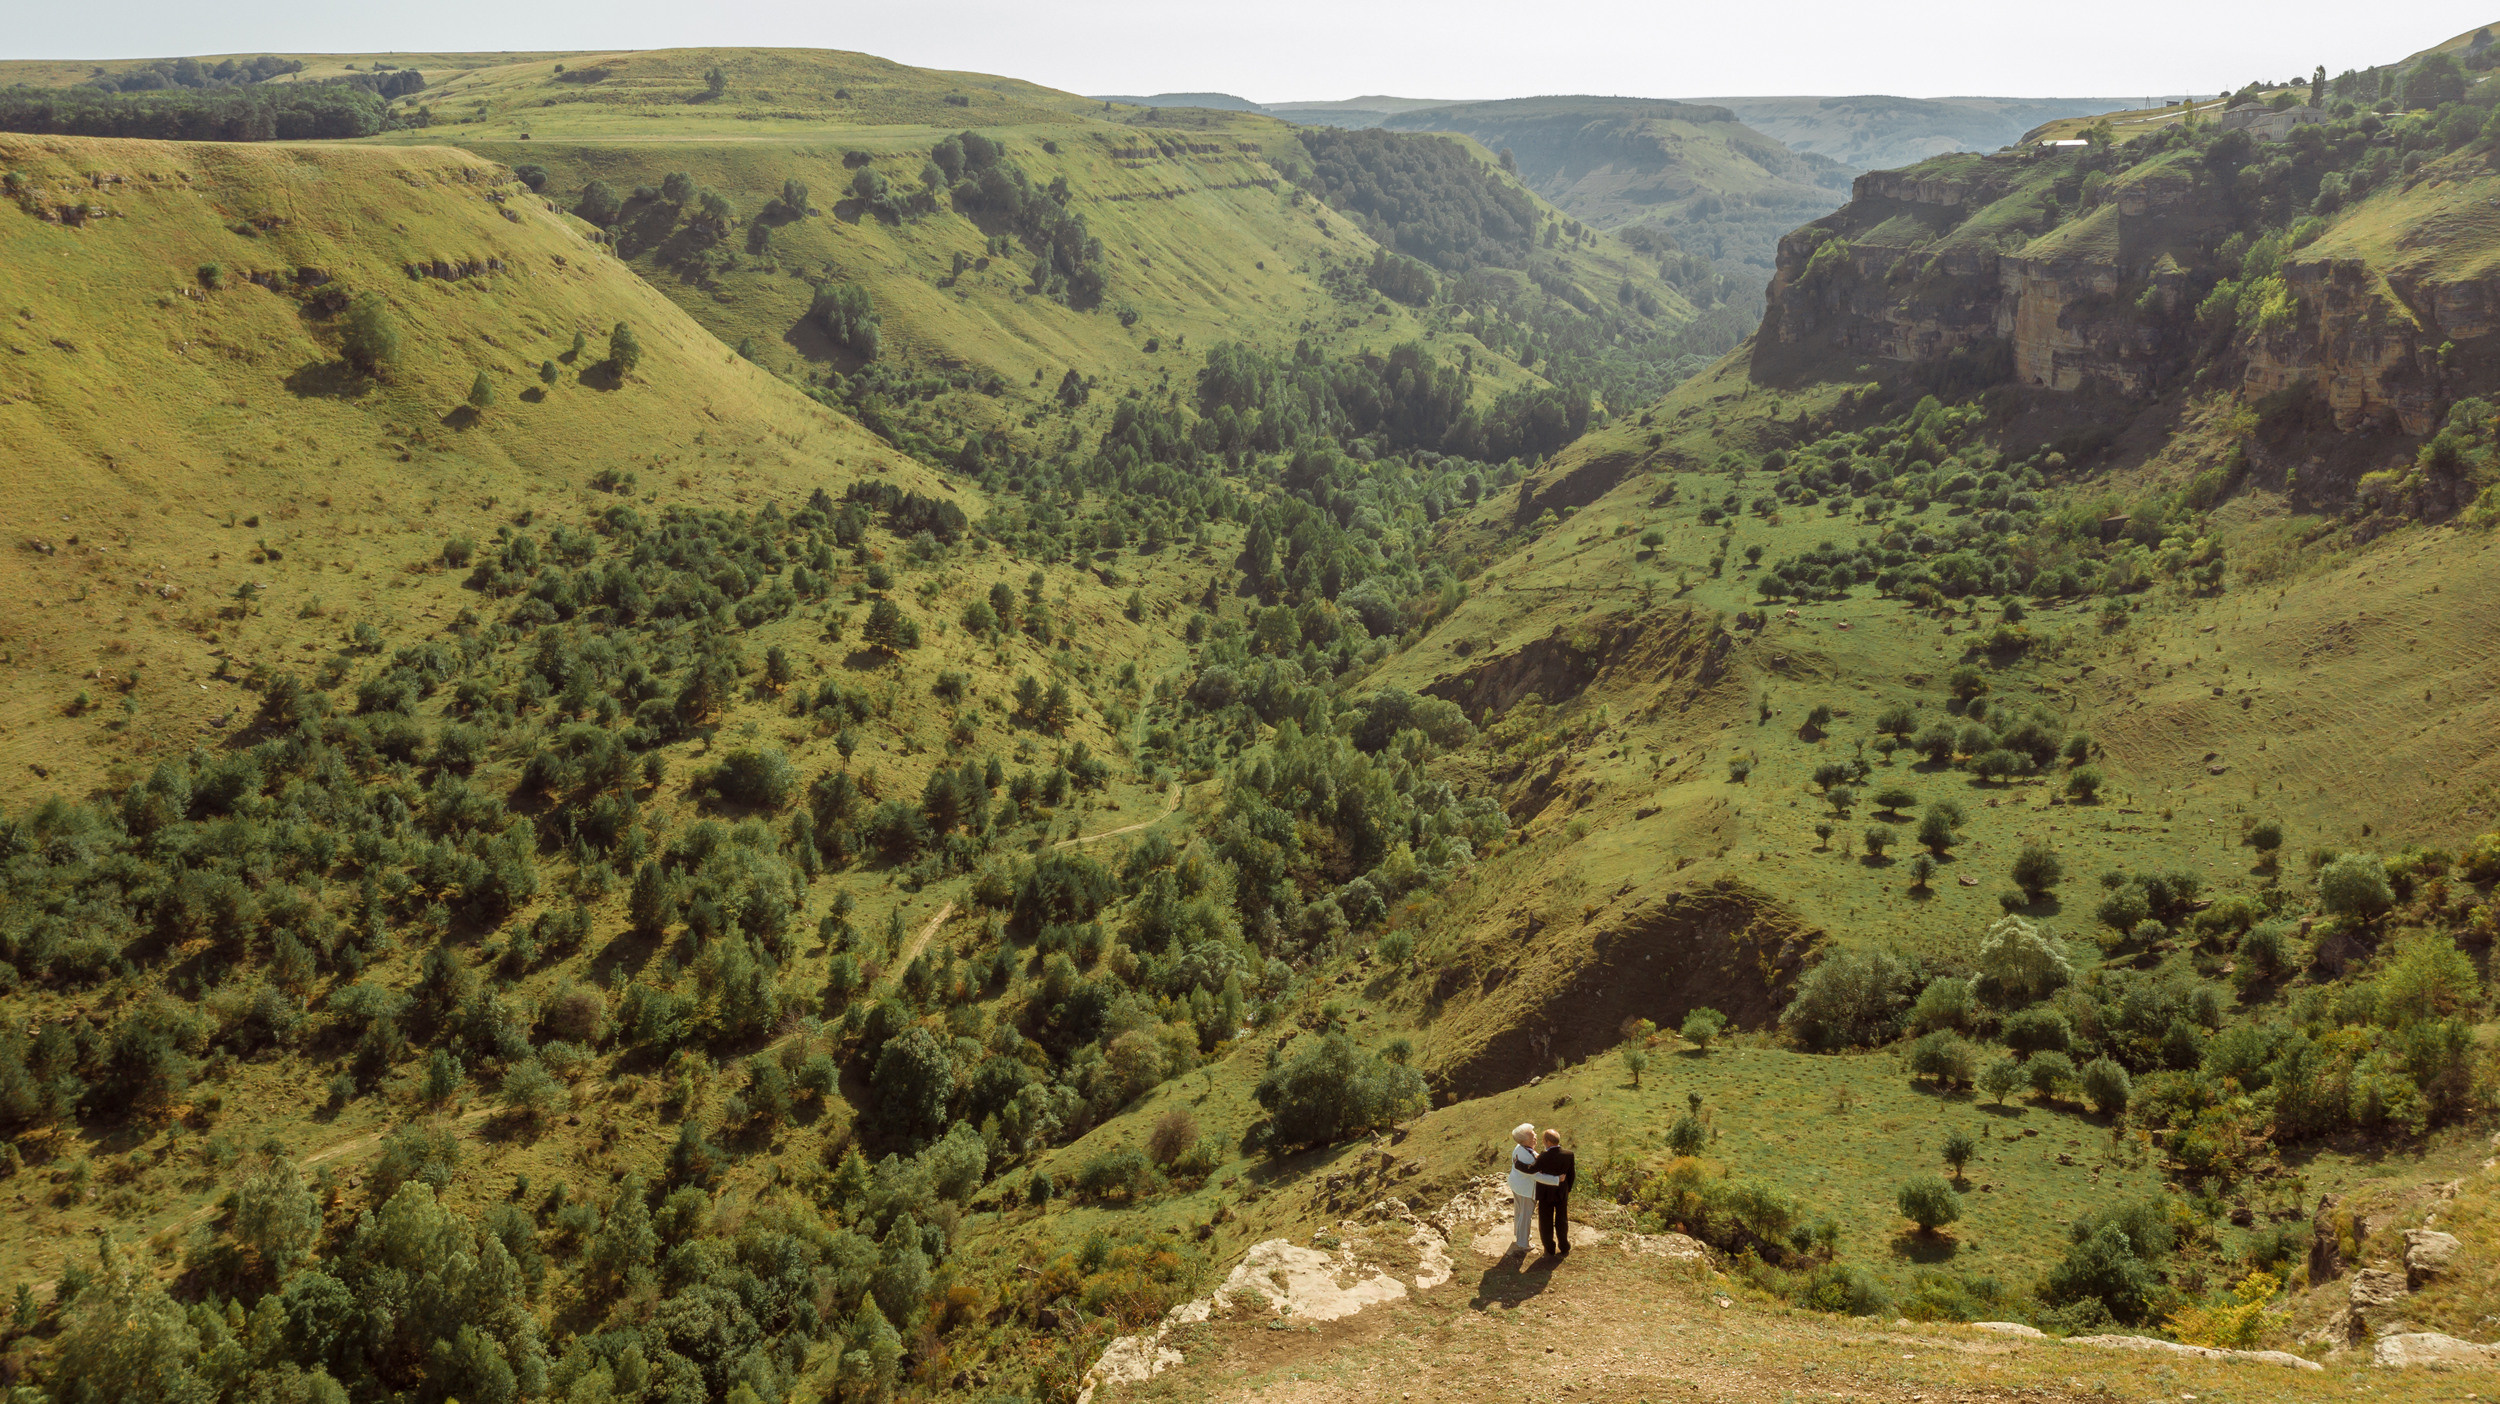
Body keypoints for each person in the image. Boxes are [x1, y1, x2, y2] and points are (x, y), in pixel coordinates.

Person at [1533, 1128, 1576, 1258]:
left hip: (1545, 1193)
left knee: (1545, 1221)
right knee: (1562, 1219)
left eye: (1543, 1140)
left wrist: (1518, 1164)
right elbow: (1571, 1175)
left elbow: (1533, 1170)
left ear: (1548, 1142)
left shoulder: (1543, 1156)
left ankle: (1549, 1247)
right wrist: (1568, 1190)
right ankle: (1564, 1246)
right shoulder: (1569, 1154)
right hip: (1561, 1192)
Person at [1504, 1123, 1540, 1257]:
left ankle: (1519, 1234)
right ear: (1525, 1140)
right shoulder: (1529, 1156)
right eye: (1532, 1136)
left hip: (1516, 1185)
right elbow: (1538, 1175)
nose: (1536, 1136)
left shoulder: (1519, 1147)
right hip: (1525, 1189)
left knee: (1519, 1211)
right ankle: (1523, 1243)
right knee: (1526, 1215)